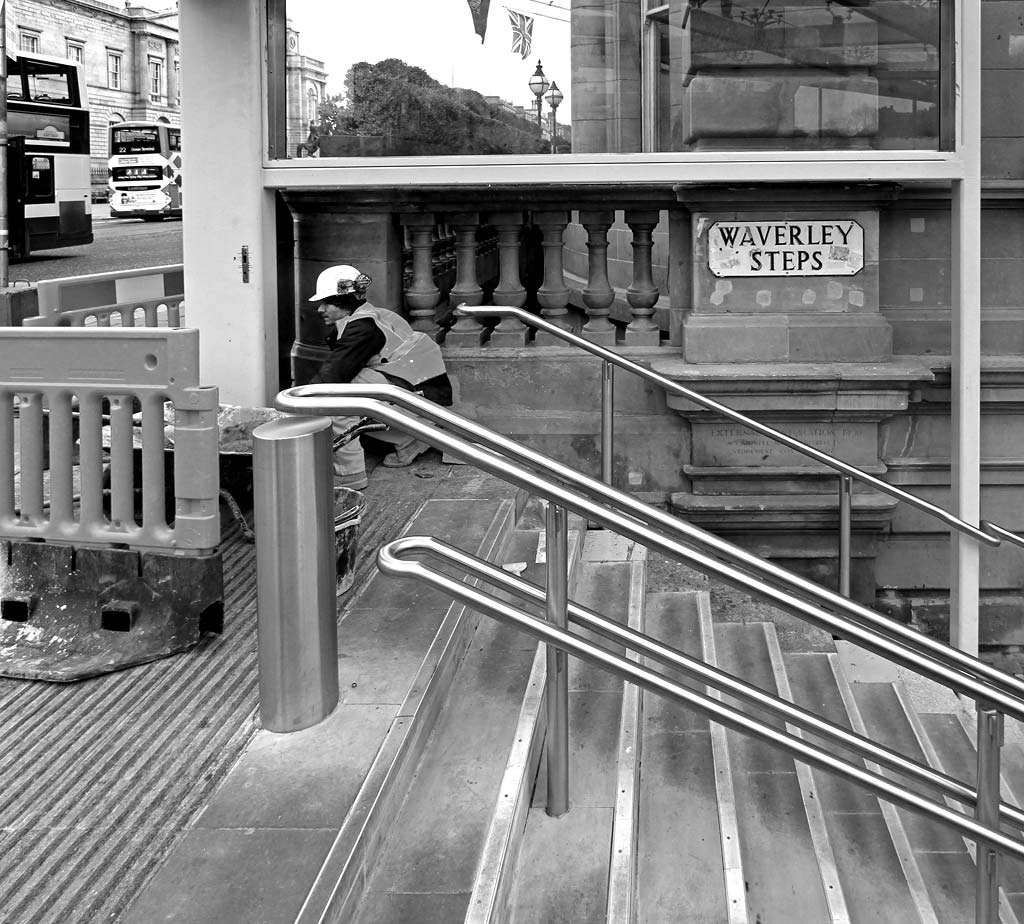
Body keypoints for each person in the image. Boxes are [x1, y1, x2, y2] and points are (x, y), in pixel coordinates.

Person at [307, 264, 453, 489]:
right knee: (352, 390)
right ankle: (410, 439)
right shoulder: (373, 315)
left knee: (335, 401)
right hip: (421, 395)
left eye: (327, 302)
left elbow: (331, 376)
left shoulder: (362, 329)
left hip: (415, 397)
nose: (320, 309)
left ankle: (349, 476)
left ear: (345, 301)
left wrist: (291, 407)